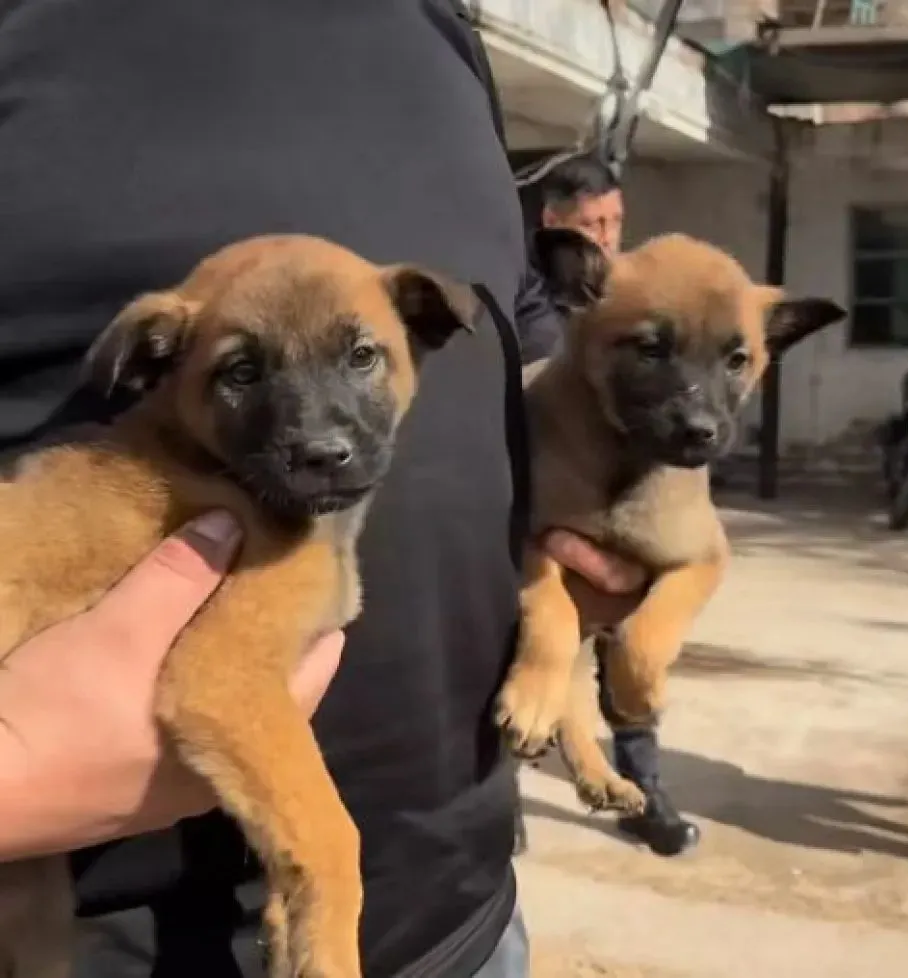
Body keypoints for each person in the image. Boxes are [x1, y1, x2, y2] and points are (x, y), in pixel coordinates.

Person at [0, 2, 645, 976]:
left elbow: (506, 337)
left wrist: (593, 511)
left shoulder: (434, 27)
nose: (318, 434)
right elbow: (218, 685)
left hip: (460, 918)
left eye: (359, 361)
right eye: (243, 375)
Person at [516, 154, 700, 858]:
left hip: (629, 507)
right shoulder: (534, 307)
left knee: (629, 651)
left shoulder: (640, 298)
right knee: (536, 653)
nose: (607, 236)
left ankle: (644, 791)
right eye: (591, 225)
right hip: (545, 512)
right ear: (553, 230)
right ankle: (508, 807)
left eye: (614, 221)